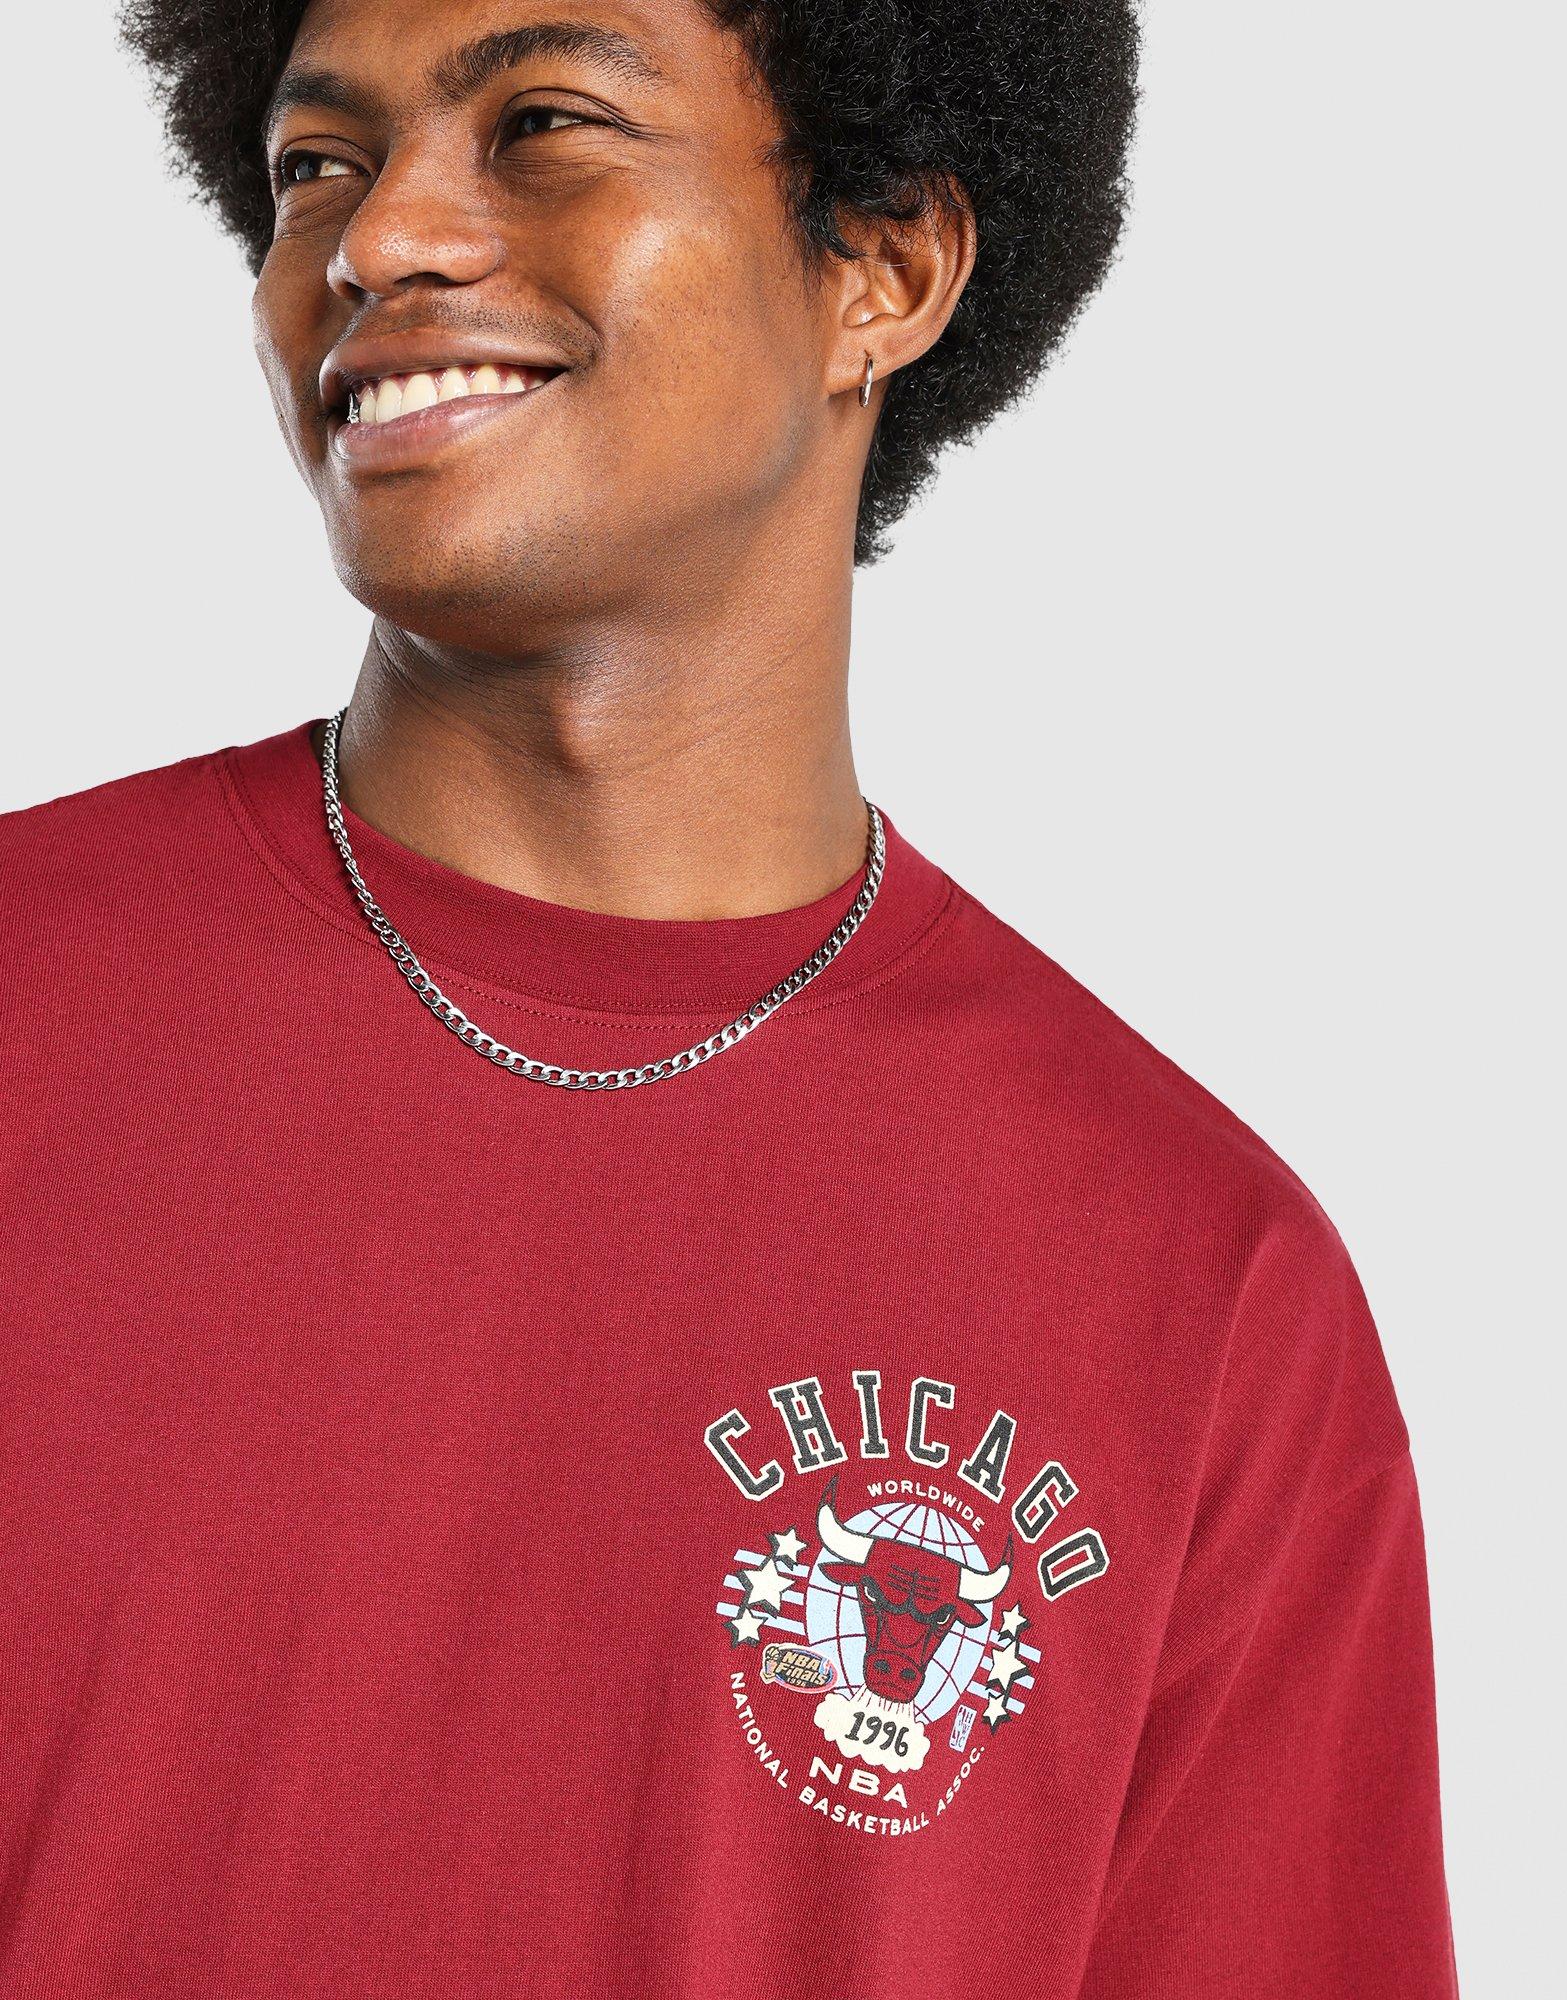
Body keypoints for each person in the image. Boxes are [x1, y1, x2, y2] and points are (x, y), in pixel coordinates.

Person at [0, 1, 1457, 1994]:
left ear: (886, 268)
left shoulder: (1197, 1287)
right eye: (315, 164)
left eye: (545, 124)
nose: (376, 238)